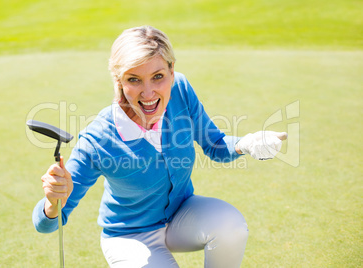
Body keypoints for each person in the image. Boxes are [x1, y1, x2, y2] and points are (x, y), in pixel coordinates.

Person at [32, 25, 287, 268]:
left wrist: (246, 143)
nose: (148, 93)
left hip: (181, 216)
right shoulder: (97, 139)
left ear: (172, 70)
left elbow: (215, 145)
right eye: (134, 80)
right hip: (129, 236)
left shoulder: (181, 90)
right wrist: (53, 203)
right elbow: (47, 224)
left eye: (158, 77)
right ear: (118, 80)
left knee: (230, 226)